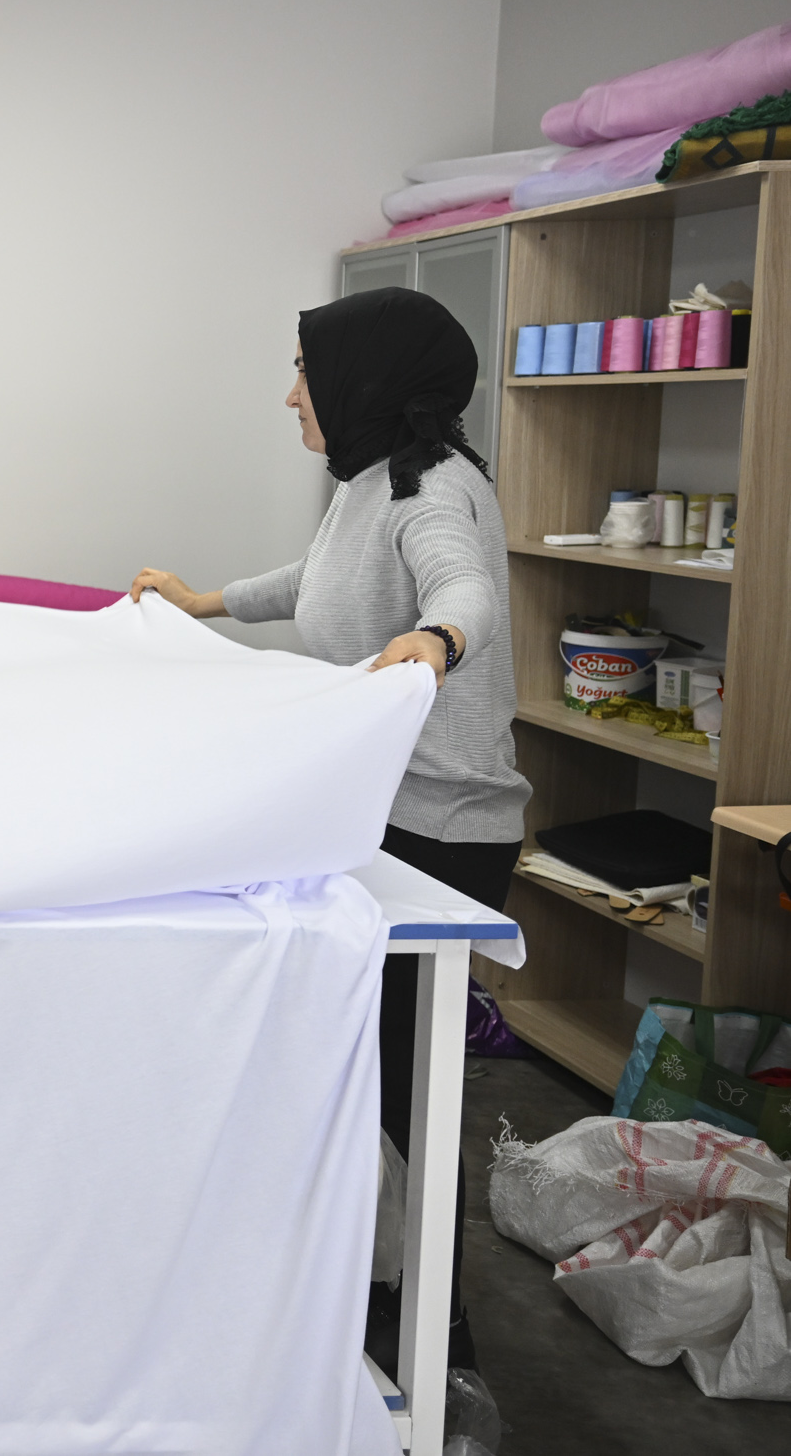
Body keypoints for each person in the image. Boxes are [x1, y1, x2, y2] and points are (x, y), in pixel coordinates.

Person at [128, 286, 527, 1373]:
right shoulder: (367, 481)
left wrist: (437, 639)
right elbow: (313, 580)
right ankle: (367, 1274)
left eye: (304, 370)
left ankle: (437, 1334)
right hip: (371, 806)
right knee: (357, 1073)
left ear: (364, 378)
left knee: (405, 1087)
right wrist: (200, 601)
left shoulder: (437, 490)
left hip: (443, 825)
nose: (290, 394)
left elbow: (462, 585)